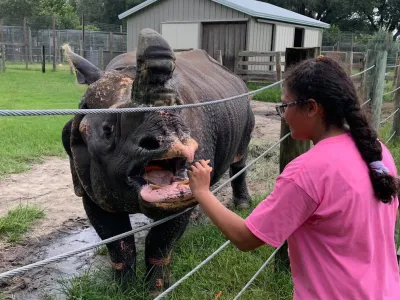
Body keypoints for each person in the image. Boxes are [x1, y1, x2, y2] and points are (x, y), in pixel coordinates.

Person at [187, 56, 400, 299]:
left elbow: (246, 238)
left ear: (311, 108)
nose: (283, 115)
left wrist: (203, 192)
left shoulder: (307, 172)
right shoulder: (378, 151)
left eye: (285, 105)